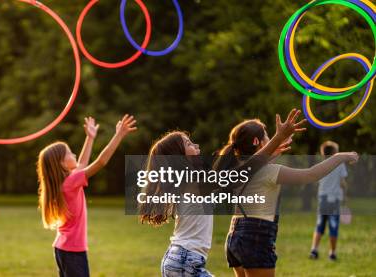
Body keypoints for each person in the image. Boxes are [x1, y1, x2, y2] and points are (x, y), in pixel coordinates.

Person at [140, 109, 305, 277]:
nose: (196, 146)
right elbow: (242, 173)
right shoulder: (194, 182)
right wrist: (277, 138)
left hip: (179, 259)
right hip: (185, 261)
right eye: (189, 144)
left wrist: (270, 153)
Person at [215, 118, 358, 277]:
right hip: (255, 236)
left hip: (235, 236)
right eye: (267, 136)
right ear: (257, 141)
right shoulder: (268, 172)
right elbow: (310, 175)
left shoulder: (236, 169)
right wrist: (340, 157)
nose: (271, 140)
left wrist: (277, 143)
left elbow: (257, 168)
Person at [37, 115, 136, 277]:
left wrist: (90, 138)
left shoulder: (65, 182)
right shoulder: (70, 182)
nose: (73, 154)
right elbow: (100, 162)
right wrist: (119, 135)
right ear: (61, 164)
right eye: (69, 153)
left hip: (63, 249)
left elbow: (82, 165)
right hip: (72, 253)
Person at [309, 141, 348, 261]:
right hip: (334, 199)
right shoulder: (340, 164)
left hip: (323, 198)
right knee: (333, 226)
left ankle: (314, 250)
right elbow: (342, 183)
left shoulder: (321, 164)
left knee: (320, 225)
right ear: (334, 153)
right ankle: (332, 253)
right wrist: (346, 194)